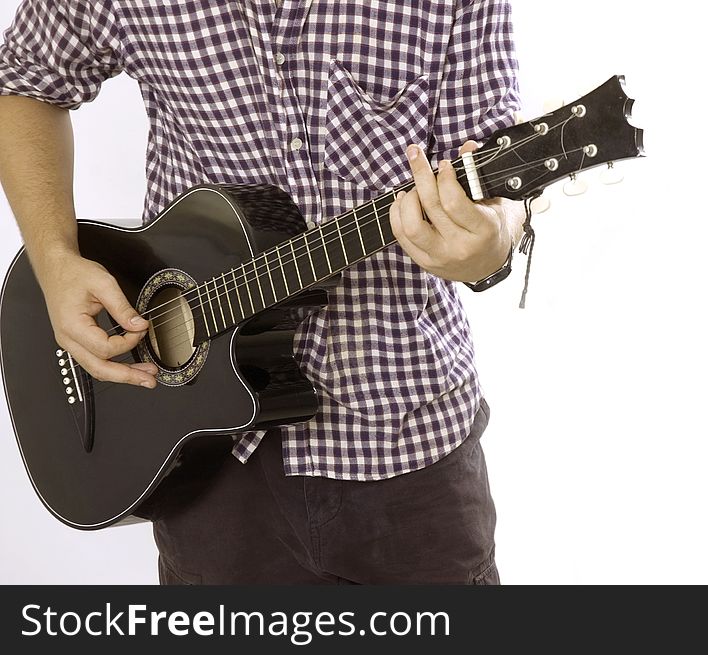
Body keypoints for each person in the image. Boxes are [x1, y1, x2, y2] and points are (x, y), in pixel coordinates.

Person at [0, 0, 523, 584]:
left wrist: (491, 240)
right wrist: (54, 261)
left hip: (406, 449)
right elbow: (22, 81)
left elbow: (495, 186)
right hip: (204, 460)